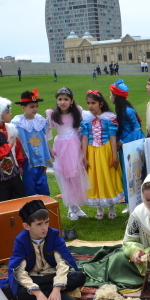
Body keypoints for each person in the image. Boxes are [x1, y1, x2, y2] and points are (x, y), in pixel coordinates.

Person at [0, 199, 86, 300]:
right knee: (7, 290)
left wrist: (57, 287)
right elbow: (19, 270)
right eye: (39, 224)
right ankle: (58, 298)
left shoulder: (53, 235)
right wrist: (37, 292)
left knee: (79, 276)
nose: (44, 227)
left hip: (52, 277)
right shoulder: (21, 241)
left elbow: (62, 263)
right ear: (26, 226)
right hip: (33, 279)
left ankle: (52, 296)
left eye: (46, 222)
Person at [46, 87, 89, 221]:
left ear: (71, 101)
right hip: (61, 148)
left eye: (66, 99)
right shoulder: (52, 115)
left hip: (75, 146)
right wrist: (49, 149)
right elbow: (46, 133)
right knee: (66, 177)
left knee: (76, 176)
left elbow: (82, 129)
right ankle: (71, 208)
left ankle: (77, 207)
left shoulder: (78, 112)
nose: (62, 102)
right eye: (60, 99)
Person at [81, 90, 124, 220]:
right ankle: (99, 208)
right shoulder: (86, 119)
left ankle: (111, 207)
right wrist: (84, 156)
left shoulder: (109, 118)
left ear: (100, 104)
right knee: (95, 178)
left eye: (93, 103)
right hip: (92, 151)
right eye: (88, 103)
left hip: (105, 151)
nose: (90, 106)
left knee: (108, 177)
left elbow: (112, 138)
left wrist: (114, 156)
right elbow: (84, 138)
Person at [110, 79, 145, 213]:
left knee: (134, 174)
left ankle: (136, 202)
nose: (110, 97)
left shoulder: (128, 111)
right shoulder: (122, 110)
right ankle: (130, 202)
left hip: (132, 146)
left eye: (111, 94)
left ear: (116, 96)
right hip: (126, 146)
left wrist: (122, 142)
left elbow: (137, 130)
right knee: (126, 174)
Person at [12, 90, 53, 196]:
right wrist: (19, 164)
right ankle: (32, 210)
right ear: (23, 108)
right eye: (32, 106)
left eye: (36, 106)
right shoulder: (18, 122)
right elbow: (16, 145)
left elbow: (44, 138)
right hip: (27, 161)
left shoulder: (40, 120)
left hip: (41, 159)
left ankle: (44, 207)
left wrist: (49, 152)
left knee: (43, 184)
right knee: (29, 186)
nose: (35, 109)